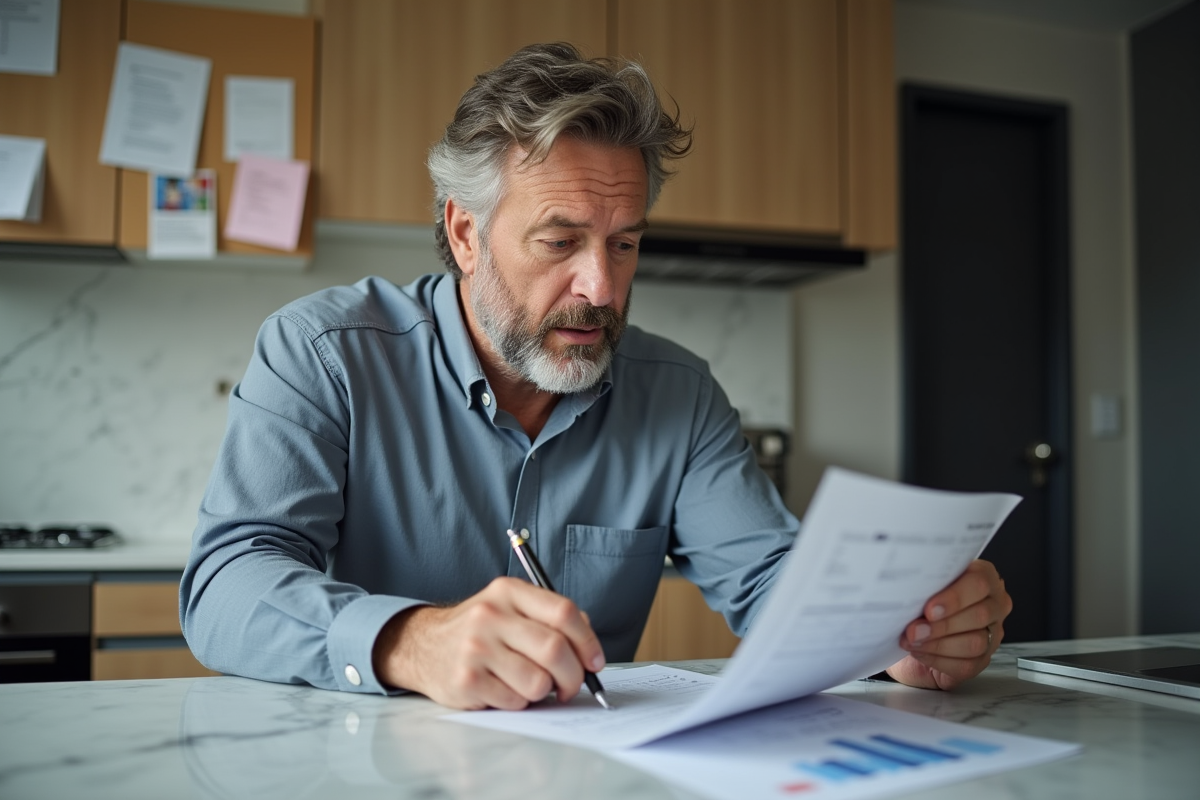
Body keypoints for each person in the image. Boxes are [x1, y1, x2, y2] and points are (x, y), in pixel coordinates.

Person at [180, 42, 1012, 710]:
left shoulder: (678, 393)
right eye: (559, 241)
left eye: (625, 243)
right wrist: (410, 640)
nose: (603, 289)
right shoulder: (323, 352)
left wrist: (900, 631)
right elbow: (225, 583)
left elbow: (769, 583)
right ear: (465, 234)